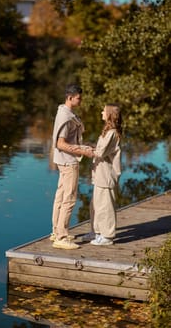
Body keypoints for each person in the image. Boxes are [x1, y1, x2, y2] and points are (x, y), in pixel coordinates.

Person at [50, 84, 94, 250]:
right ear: (70, 97)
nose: (80, 100)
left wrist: (86, 145)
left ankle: (57, 231)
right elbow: (60, 143)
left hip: (64, 161)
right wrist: (82, 150)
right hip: (68, 161)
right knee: (69, 198)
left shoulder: (66, 112)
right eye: (78, 98)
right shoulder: (65, 116)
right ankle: (61, 237)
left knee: (60, 196)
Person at [89, 103, 122, 246]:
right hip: (99, 174)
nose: (101, 112)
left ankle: (107, 236)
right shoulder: (108, 131)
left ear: (109, 114)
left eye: (104, 110)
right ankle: (97, 232)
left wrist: (84, 150)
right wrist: (89, 146)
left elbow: (101, 152)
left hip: (106, 175)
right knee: (96, 204)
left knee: (105, 206)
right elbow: (100, 149)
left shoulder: (112, 133)